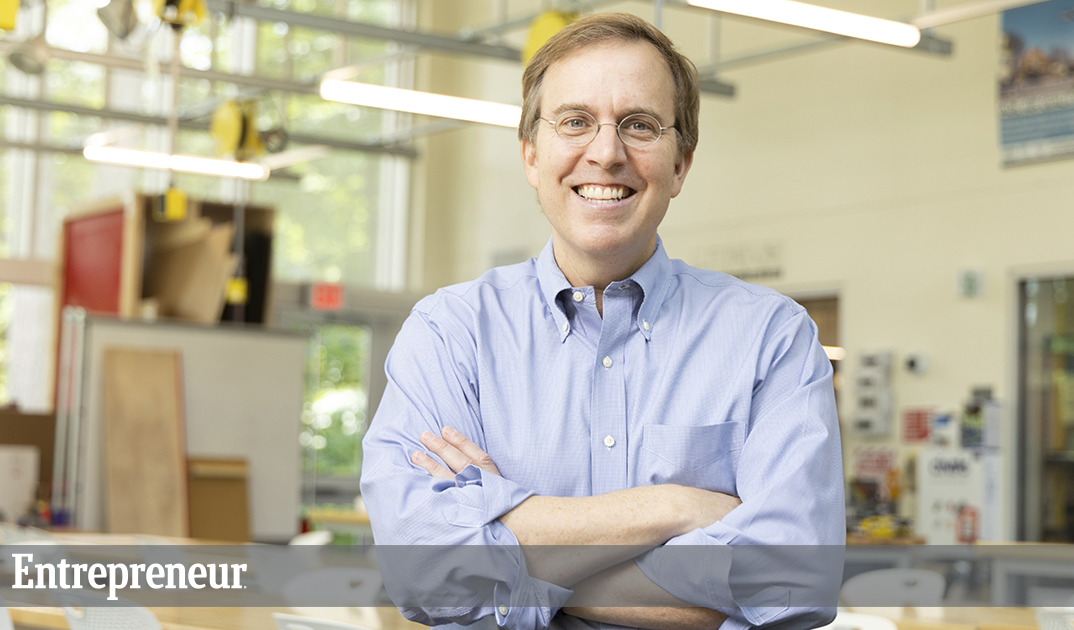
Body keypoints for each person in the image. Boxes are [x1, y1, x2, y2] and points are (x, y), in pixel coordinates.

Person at [361, 12, 844, 630]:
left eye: (640, 125)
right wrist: (673, 507)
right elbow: (421, 574)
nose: (607, 152)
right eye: (575, 122)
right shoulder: (450, 334)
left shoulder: (771, 338)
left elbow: (793, 581)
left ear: (681, 164)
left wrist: (510, 552)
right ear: (532, 155)